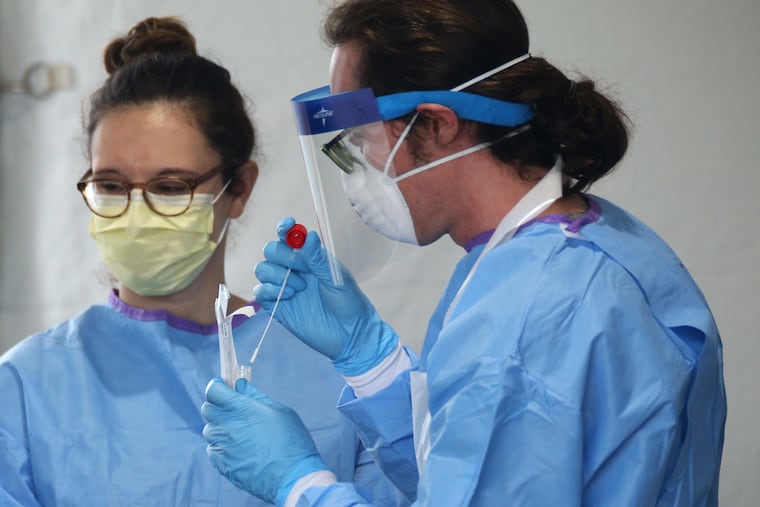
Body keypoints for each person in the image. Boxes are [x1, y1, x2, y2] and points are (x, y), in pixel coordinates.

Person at [201, 1, 727, 506]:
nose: (356, 167)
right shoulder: (599, 241)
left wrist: (299, 483)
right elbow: (471, 466)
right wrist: (371, 360)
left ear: (437, 124)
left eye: (360, 137)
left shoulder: (521, 317)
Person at [0, 16, 405, 507]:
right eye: (109, 185)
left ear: (239, 188)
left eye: (171, 188)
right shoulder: (25, 386)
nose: (135, 214)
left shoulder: (338, 368)